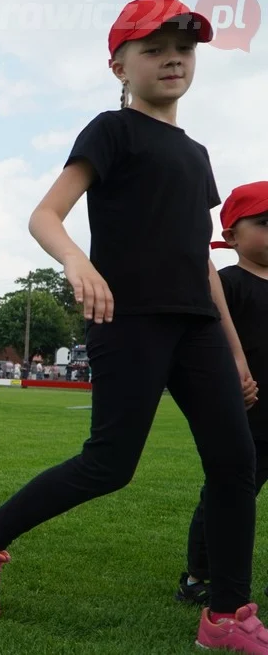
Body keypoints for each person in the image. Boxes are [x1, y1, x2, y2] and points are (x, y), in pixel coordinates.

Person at [0, 0, 268, 651]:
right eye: (153, 48)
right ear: (119, 64)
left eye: (184, 47)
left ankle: (226, 614)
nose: (172, 58)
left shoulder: (196, 153)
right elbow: (46, 214)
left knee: (236, 463)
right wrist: (75, 263)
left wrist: (234, 350)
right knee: (110, 464)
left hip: (198, 326)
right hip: (128, 318)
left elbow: (202, 261)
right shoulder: (111, 131)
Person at [177, 181, 268, 606]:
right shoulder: (226, 284)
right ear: (231, 235)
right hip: (244, 413)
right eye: (265, 223)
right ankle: (200, 573)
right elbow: (207, 340)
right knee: (228, 493)